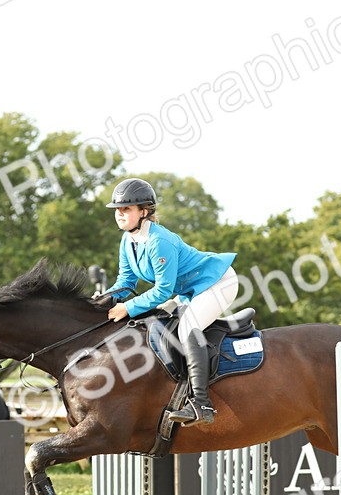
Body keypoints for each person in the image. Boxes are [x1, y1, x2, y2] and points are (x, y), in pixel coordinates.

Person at [98, 177, 238, 426]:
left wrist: (127, 307)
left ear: (144, 211)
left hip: (217, 282)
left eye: (126, 209)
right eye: (118, 210)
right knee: (158, 322)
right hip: (190, 290)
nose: (120, 214)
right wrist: (103, 300)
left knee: (187, 328)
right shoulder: (128, 240)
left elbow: (163, 291)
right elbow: (126, 282)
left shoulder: (158, 241)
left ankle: (201, 404)